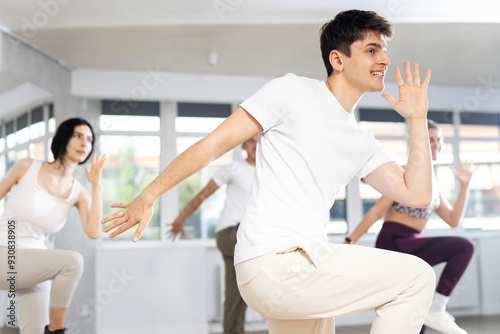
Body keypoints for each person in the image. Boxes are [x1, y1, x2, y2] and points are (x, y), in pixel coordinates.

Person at [102, 10, 436, 333]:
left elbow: (417, 195)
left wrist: (417, 120)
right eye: (371, 50)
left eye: (384, 51)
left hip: (304, 268)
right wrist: (149, 194)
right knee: (416, 277)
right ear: (338, 60)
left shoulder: (361, 140)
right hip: (275, 261)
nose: (384, 60)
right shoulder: (293, 91)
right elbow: (213, 145)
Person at [346, 119, 476, 334]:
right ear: (420, 142)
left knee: (415, 307)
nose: (436, 145)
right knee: (464, 246)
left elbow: (453, 220)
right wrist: (350, 241)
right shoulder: (406, 172)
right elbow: (378, 211)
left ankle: (430, 311)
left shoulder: (435, 186)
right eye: (431, 140)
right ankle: (436, 307)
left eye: (439, 140)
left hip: (411, 244)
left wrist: (464, 185)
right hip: (394, 242)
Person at [0, 118, 107, 334]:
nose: (84, 143)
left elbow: (94, 232)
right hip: (6, 253)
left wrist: (96, 185)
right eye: (78, 136)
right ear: (64, 138)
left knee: (34, 331)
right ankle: (57, 329)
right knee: (72, 262)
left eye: (89, 139)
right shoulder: (26, 167)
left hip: (36, 264)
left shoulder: (78, 193)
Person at [168, 134, 257, 334]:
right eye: (251, 140)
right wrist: (180, 219)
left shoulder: (268, 173)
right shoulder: (234, 169)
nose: (256, 144)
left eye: (260, 139)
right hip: (230, 234)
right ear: (243, 145)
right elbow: (203, 194)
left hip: (248, 235)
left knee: (237, 293)